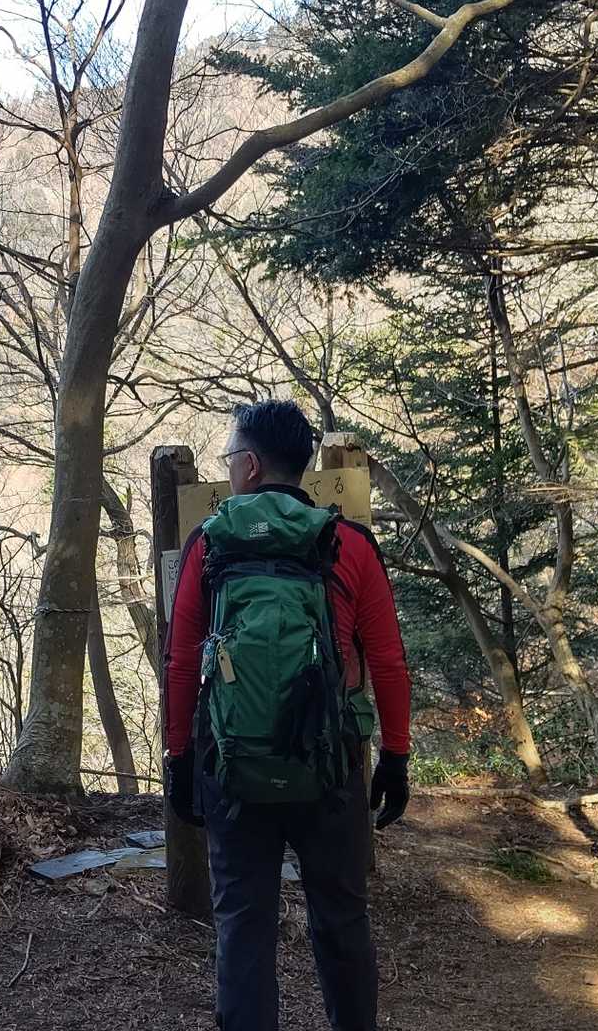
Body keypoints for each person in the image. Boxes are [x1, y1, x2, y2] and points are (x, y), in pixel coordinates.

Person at [163, 399, 412, 1031]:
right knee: (342, 919)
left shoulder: (209, 543)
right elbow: (387, 659)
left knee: (243, 926)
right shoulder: (348, 543)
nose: (228, 466)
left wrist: (180, 757)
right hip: (328, 761)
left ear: (249, 465)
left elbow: (181, 661)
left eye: (230, 456)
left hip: (232, 764)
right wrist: (395, 757)